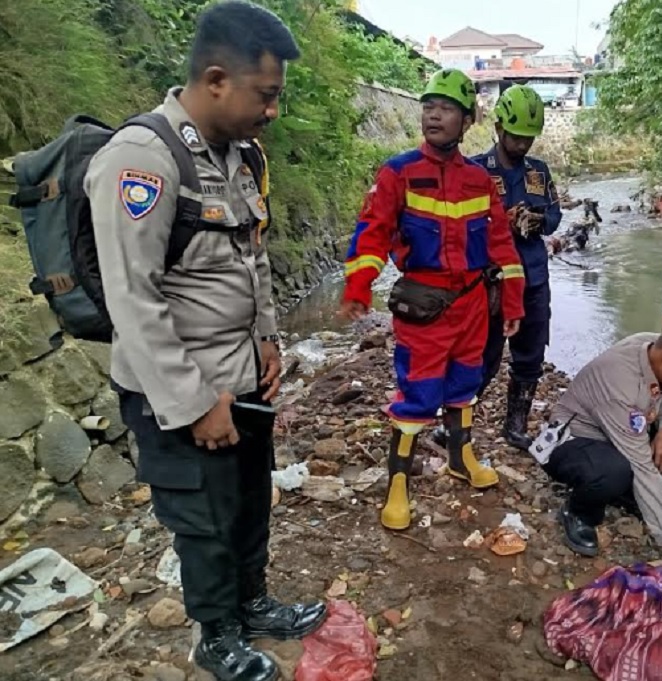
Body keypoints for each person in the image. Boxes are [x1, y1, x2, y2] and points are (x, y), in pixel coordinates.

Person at [86, 3, 326, 679]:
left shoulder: (239, 156)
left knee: (249, 499)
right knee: (204, 519)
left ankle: (252, 603)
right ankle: (215, 633)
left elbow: (251, 258)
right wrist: (194, 402)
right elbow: (132, 298)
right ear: (217, 79)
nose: (273, 111)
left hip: (243, 376)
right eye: (267, 95)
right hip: (180, 390)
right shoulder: (142, 160)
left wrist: (270, 342)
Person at [339, 68, 526, 532]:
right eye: (428, 107)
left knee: (465, 386)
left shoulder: (480, 181)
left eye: (445, 109)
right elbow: (372, 234)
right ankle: (398, 486)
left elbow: (503, 246)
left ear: (467, 121)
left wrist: (514, 304)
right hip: (425, 309)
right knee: (417, 396)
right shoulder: (399, 172)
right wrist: (358, 287)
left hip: (473, 307)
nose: (433, 116)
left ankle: (461, 459)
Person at [433, 85, 561, 451]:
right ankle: (455, 423)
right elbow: (457, 226)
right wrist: (498, 221)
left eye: (528, 139)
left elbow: (554, 215)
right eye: (516, 137)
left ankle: (515, 425)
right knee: (481, 356)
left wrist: (537, 221)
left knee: (531, 354)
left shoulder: (539, 172)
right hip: (490, 281)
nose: (522, 146)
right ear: (499, 129)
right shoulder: (474, 170)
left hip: (533, 277)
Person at [538, 319, 662, 573]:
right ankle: (578, 513)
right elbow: (642, 466)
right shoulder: (619, 383)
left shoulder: (653, 345)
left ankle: (632, 500)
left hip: (617, 432)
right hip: (571, 441)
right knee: (616, 469)